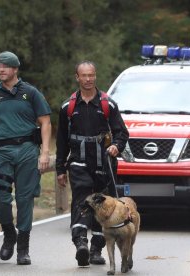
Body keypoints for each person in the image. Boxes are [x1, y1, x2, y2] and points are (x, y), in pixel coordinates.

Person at [0, 51, 52, 265]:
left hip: (26, 149)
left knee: (25, 199)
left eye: (5, 66)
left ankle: (23, 248)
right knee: (0, 198)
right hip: (1, 153)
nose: (1, 69)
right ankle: (9, 232)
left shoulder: (30, 93)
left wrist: (44, 152)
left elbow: (45, 122)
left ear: (15, 69)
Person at [55, 61, 129, 267]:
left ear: (95, 76)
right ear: (77, 78)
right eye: (84, 76)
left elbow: (122, 133)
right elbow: (61, 140)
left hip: (103, 163)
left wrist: (116, 146)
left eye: (91, 75)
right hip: (78, 162)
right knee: (81, 199)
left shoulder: (108, 104)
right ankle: (81, 243)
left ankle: (96, 249)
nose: (88, 79)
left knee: (101, 205)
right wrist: (60, 169)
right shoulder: (67, 107)